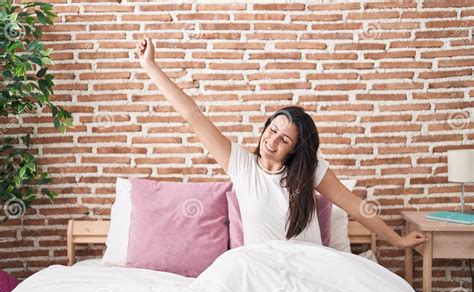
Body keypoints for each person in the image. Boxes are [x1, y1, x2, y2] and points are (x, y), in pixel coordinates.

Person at [135, 36, 427, 249]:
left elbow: (354, 205)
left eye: (284, 139)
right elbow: (192, 114)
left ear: (295, 149)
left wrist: (398, 241)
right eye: (271, 130)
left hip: (309, 267)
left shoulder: (310, 170)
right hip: (261, 269)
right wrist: (150, 67)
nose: (271, 141)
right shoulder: (241, 164)